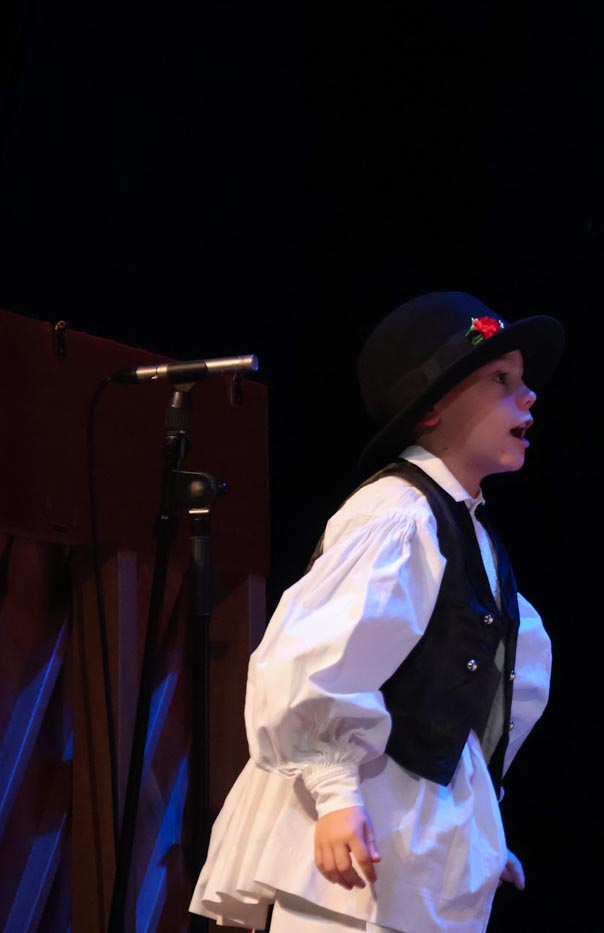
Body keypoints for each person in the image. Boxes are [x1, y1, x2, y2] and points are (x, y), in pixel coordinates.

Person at [191, 291, 564, 932]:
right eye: (501, 381)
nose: (528, 397)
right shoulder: (398, 514)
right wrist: (335, 793)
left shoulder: (469, 534)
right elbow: (316, 655)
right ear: (432, 409)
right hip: (355, 839)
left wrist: (476, 832)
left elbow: (477, 702)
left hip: (411, 846)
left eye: (523, 382)